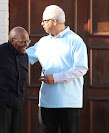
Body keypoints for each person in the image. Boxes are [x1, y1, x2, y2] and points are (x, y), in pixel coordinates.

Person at [26, 5, 88, 133]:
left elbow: (81, 68)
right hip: (46, 103)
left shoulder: (75, 41)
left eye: (44, 20)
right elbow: (23, 56)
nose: (41, 23)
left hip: (69, 103)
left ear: (54, 21)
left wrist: (55, 78)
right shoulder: (43, 42)